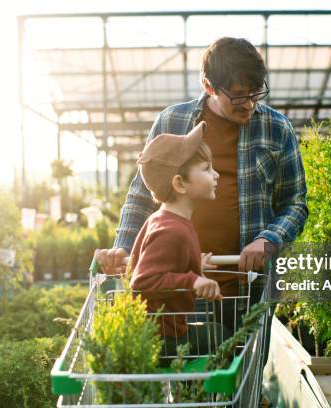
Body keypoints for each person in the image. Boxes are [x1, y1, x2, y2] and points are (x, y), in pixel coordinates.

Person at [97, 36, 308, 362]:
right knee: (187, 382)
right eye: (238, 95)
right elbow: (141, 196)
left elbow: (295, 202)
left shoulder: (276, 128)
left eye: (256, 92)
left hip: (246, 287)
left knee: (241, 379)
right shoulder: (173, 122)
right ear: (209, 86)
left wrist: (269, 239)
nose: (249, 104)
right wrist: (124, 247)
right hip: (179, 287)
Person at [127, 121, 229, 361]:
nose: (215, 175)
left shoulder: (163, 219)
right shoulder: (172, 230)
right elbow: (143, 280)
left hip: (161, 331)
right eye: (206, 169)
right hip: (161, 338)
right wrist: (192, 279)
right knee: (221, 335)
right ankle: (199, 396)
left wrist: (193, 264)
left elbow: (156, 264)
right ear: (179, 183)